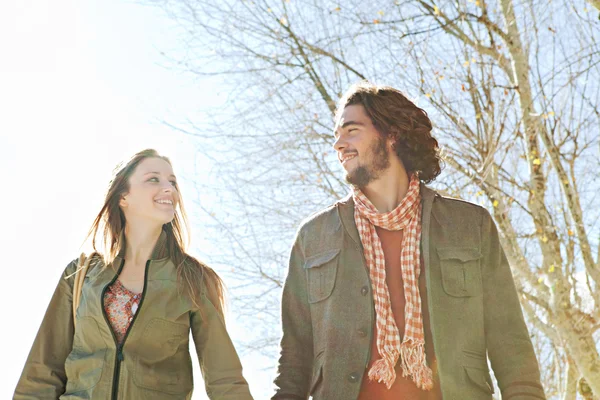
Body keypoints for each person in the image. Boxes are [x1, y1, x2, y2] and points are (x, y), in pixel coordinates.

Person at [272, 82, 545, 400]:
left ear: (392, 134)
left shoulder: (470, 226)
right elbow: (294, 365)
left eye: (352, 130)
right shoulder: (314, 238)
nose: (338, 144)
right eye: (337, 134)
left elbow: (511, 350)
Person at [15, 149, 253, 400]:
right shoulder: (81, 275)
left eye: (172, 182)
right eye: (154, 179)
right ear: (123, 197)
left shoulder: (193, 279)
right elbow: (41, 374)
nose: (169, 188)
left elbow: (224, 379)